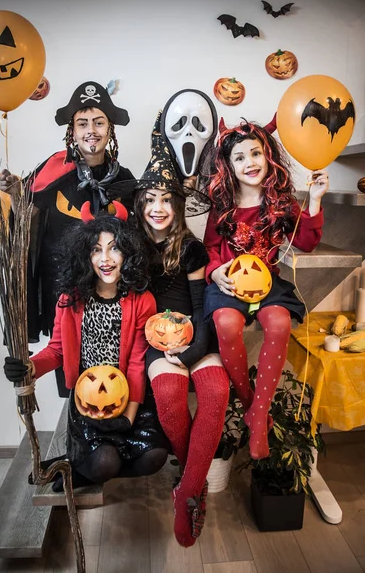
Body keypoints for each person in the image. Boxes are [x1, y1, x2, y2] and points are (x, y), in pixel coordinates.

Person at [4, 211, 169, 490]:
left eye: (114, 248)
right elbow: (56, 350)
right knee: (106, 462)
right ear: (85, 256)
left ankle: (77, 468)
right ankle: (83, 468)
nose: (105, 259)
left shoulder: (142, 300)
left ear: (128, 253)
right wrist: (29, 367)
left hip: (127, 397)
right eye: (96, 250)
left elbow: (137, 364)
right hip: (89, 399)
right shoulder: (71, 299)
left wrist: (128, 419)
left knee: (155, 457)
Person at [202, 119, 329, 461]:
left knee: (280, 324)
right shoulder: (223, 206)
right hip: (229, 283)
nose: (250, 163)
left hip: (267, 283)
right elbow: (211, 249)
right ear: (229, 166)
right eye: (240, 158)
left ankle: (259, 415)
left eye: (255, 153)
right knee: (226, 325)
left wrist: (314, 201)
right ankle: (251, 405)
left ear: (268, 155)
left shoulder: (282, 203)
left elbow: (306, 242)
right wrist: (215, 273)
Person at [0, 81, 135, 396]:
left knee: (115, 376)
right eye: (83, 123)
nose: (91, 130)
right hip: (64, 291)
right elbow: (27, 220)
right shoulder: (52, 170)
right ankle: (78, 429)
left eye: (99, 122)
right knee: (72, 374)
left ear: (110, 129)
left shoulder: (125, 179)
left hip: (112, 293)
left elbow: (136, 237)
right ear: (72, 131)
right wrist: (18, 195)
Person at [133, 113, 230, 548]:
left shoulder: (189, 248)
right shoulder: (130, 248)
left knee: (215, 391)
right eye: (150, 199)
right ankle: (195, 482)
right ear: (140, 204)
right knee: (171, 396)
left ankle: (187, 491)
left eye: (166, 200)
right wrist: (163, 352)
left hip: (192, 333)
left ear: (177, 205)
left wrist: (193, 351)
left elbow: (199, 307)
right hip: (153, 340)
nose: (158, 208)